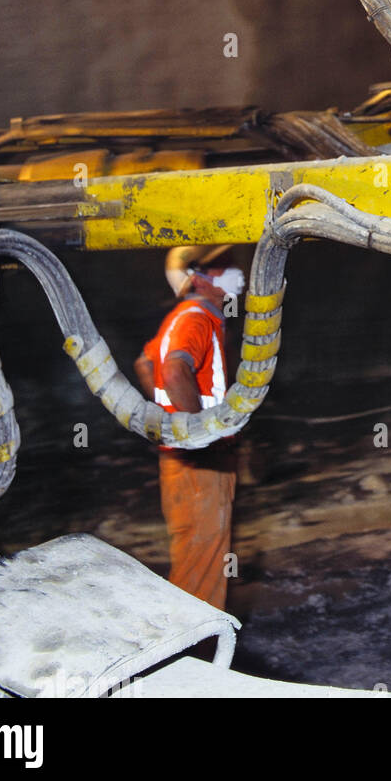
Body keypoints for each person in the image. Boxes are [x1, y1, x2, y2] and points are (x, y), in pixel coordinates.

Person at [134, 246, 244, 609]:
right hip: (199, 462)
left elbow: (145, 364)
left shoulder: (189, 315)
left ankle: (190, 649)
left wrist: (172, 419)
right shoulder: (196, 317)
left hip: (189, 460)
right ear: (197, 277)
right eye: (223, 266)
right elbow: (172, 370)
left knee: (196, 557)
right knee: (203, 564)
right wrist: (201, 431)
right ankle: (197, 653)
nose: (236, 272)